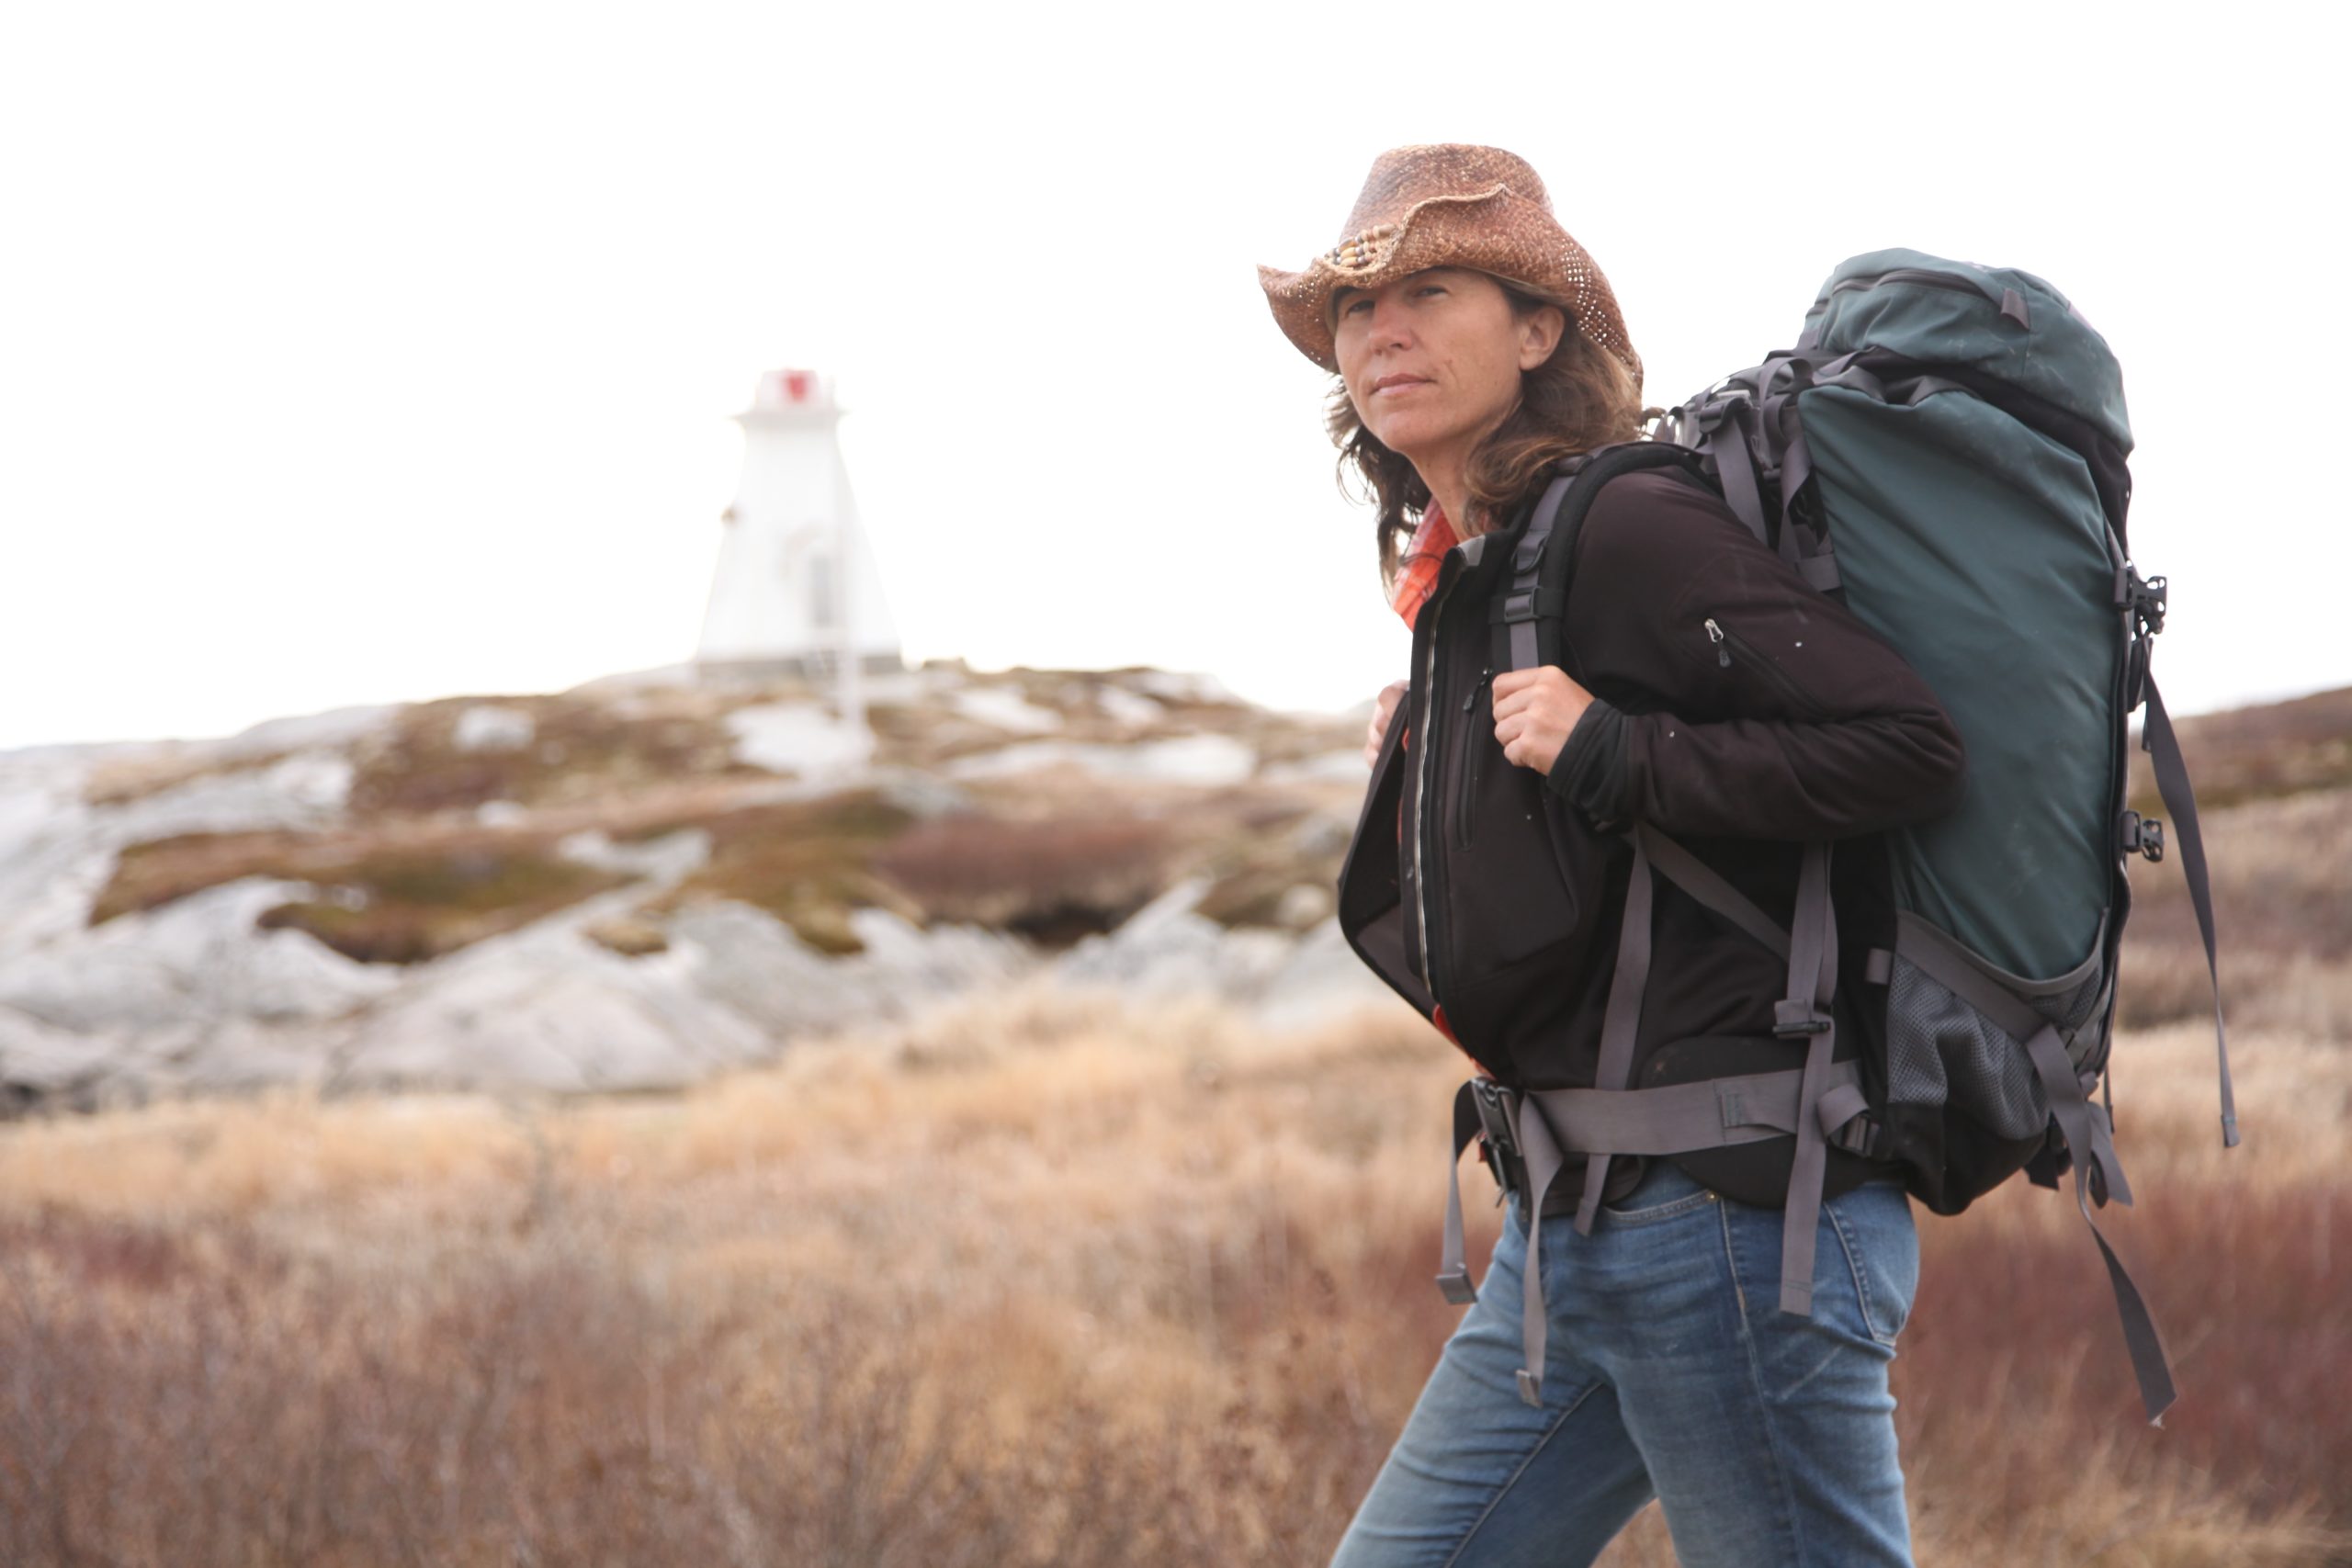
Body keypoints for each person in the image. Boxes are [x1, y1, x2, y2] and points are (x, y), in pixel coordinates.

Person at [1257, 145, 1969, 1567]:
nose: (1380, 331)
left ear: (1537, 332)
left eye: (1431, 289)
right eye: (1354, 310)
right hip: (1574, 1225)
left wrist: (1615, 753)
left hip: (1728, 1215)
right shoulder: (1483, 574)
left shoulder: (1627, 523)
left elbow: (1907, 744)